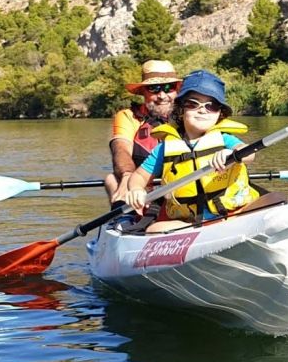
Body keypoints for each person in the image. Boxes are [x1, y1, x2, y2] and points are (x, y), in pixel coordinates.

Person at [124, 70, 258, 233]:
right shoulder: (165, 147)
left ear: (220, 113)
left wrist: (233, 154)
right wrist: (136, 189)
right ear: (181, 109)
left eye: (211, 106)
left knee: (277, 199)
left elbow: (249, 153)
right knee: (155, 230)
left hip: (234, 215)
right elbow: (139, 176)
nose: (202, 110)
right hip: (189, 223)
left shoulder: (225, 139)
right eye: (193, 103)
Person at [105, 60, 181, 205]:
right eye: (154, 88)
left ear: (177, 89)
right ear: (143, 92)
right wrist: (128, 176)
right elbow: (121, 148)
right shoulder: (128, 116)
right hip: (141, 185)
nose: (162, 95)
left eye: (168, 87)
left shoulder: (191, 115)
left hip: (180, 181)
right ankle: (123, 216)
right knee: (112, 179)